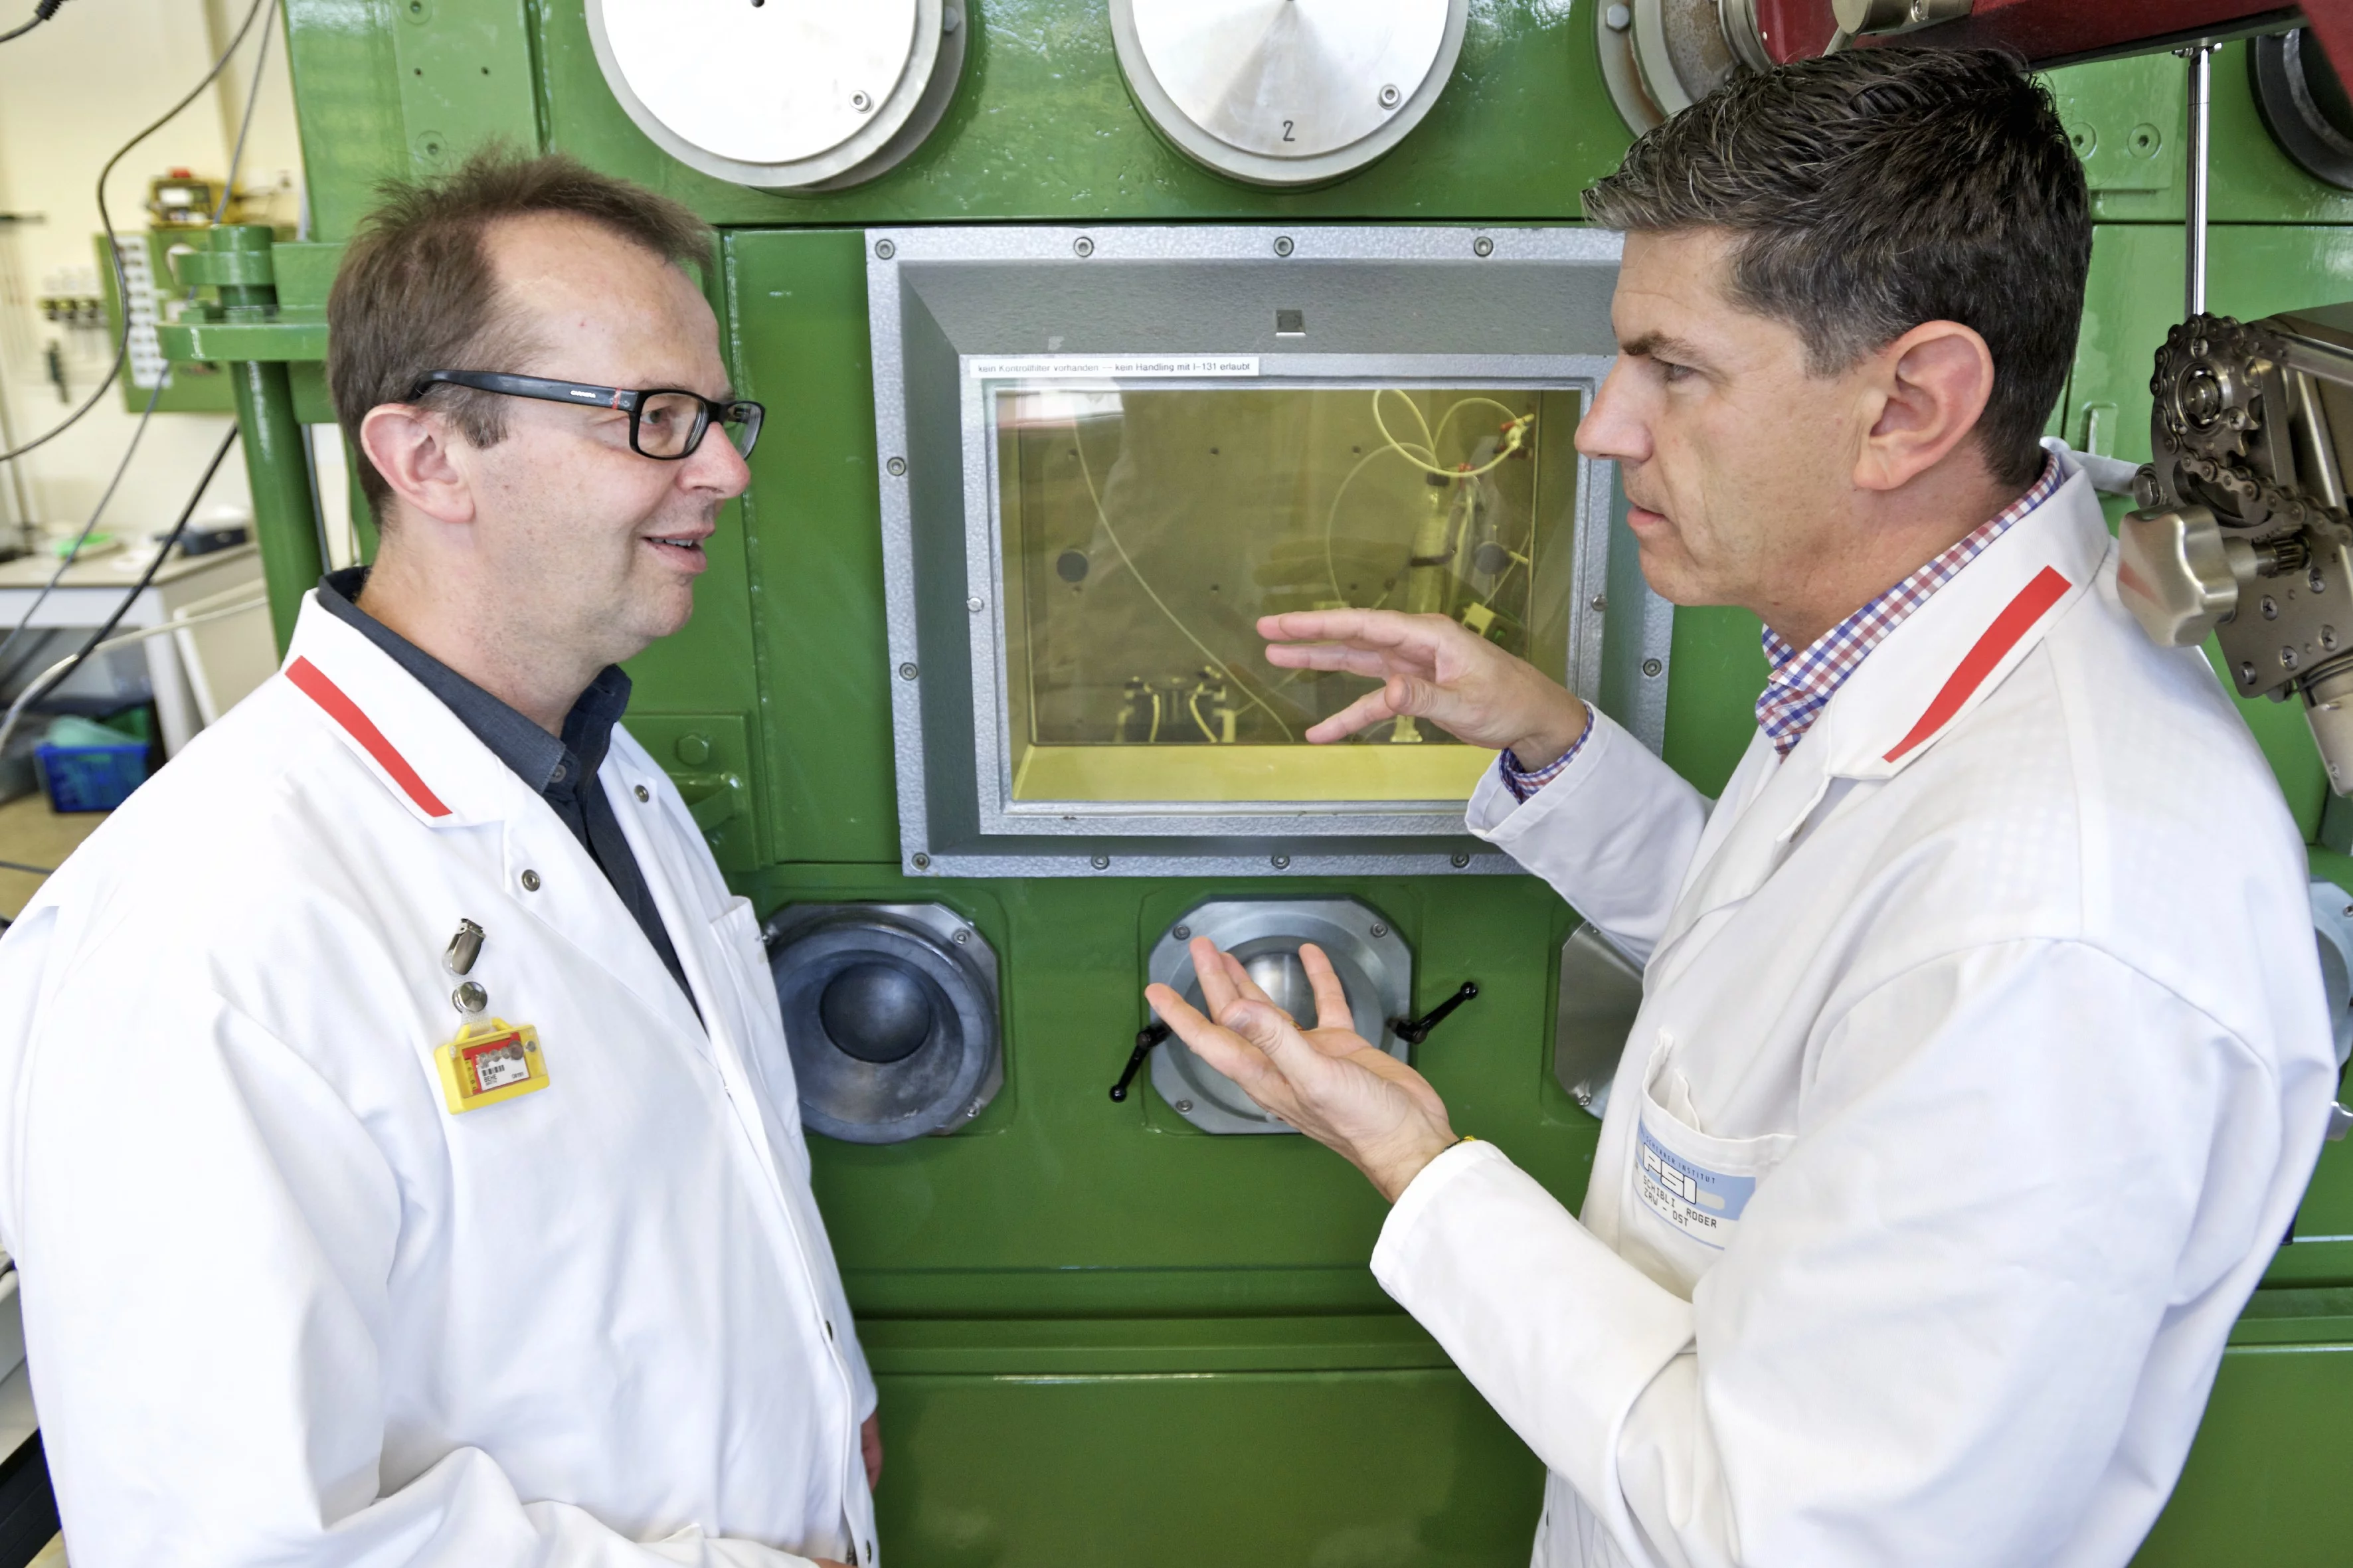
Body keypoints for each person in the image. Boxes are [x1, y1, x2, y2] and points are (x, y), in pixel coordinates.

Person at [1147, 49, 2337, 1568]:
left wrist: (1422, 1171)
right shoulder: (1934, 652)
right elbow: (1805, 963)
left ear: (1909, 404)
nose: (1603, 427)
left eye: (1674, 369)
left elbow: (1798, 1537)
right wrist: (1552, 745)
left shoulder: (2059, 936)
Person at [0, 152, 879, 1567]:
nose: (725, 469)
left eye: (718, 417)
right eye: (655, 419)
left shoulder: (597, 772)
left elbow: (690, 1181)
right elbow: (230, 1538)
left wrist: (824, 1405)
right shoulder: (204, 931)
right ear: (426, 458)